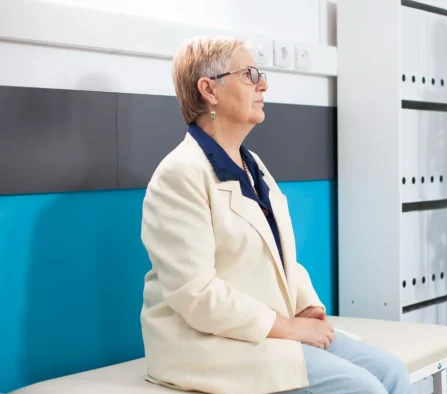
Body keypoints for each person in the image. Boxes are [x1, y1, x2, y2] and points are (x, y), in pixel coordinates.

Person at [139, 36, 412, 394]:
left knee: (391, 372)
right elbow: (196, 294)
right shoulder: (179, 174)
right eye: (249, 74)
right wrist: (289, 328)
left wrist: (307, 308)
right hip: (208, 344)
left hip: (264, 331)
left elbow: (280, 258)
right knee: (363, 389)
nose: (263, 84)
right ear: (209, 90)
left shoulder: (253, 166)